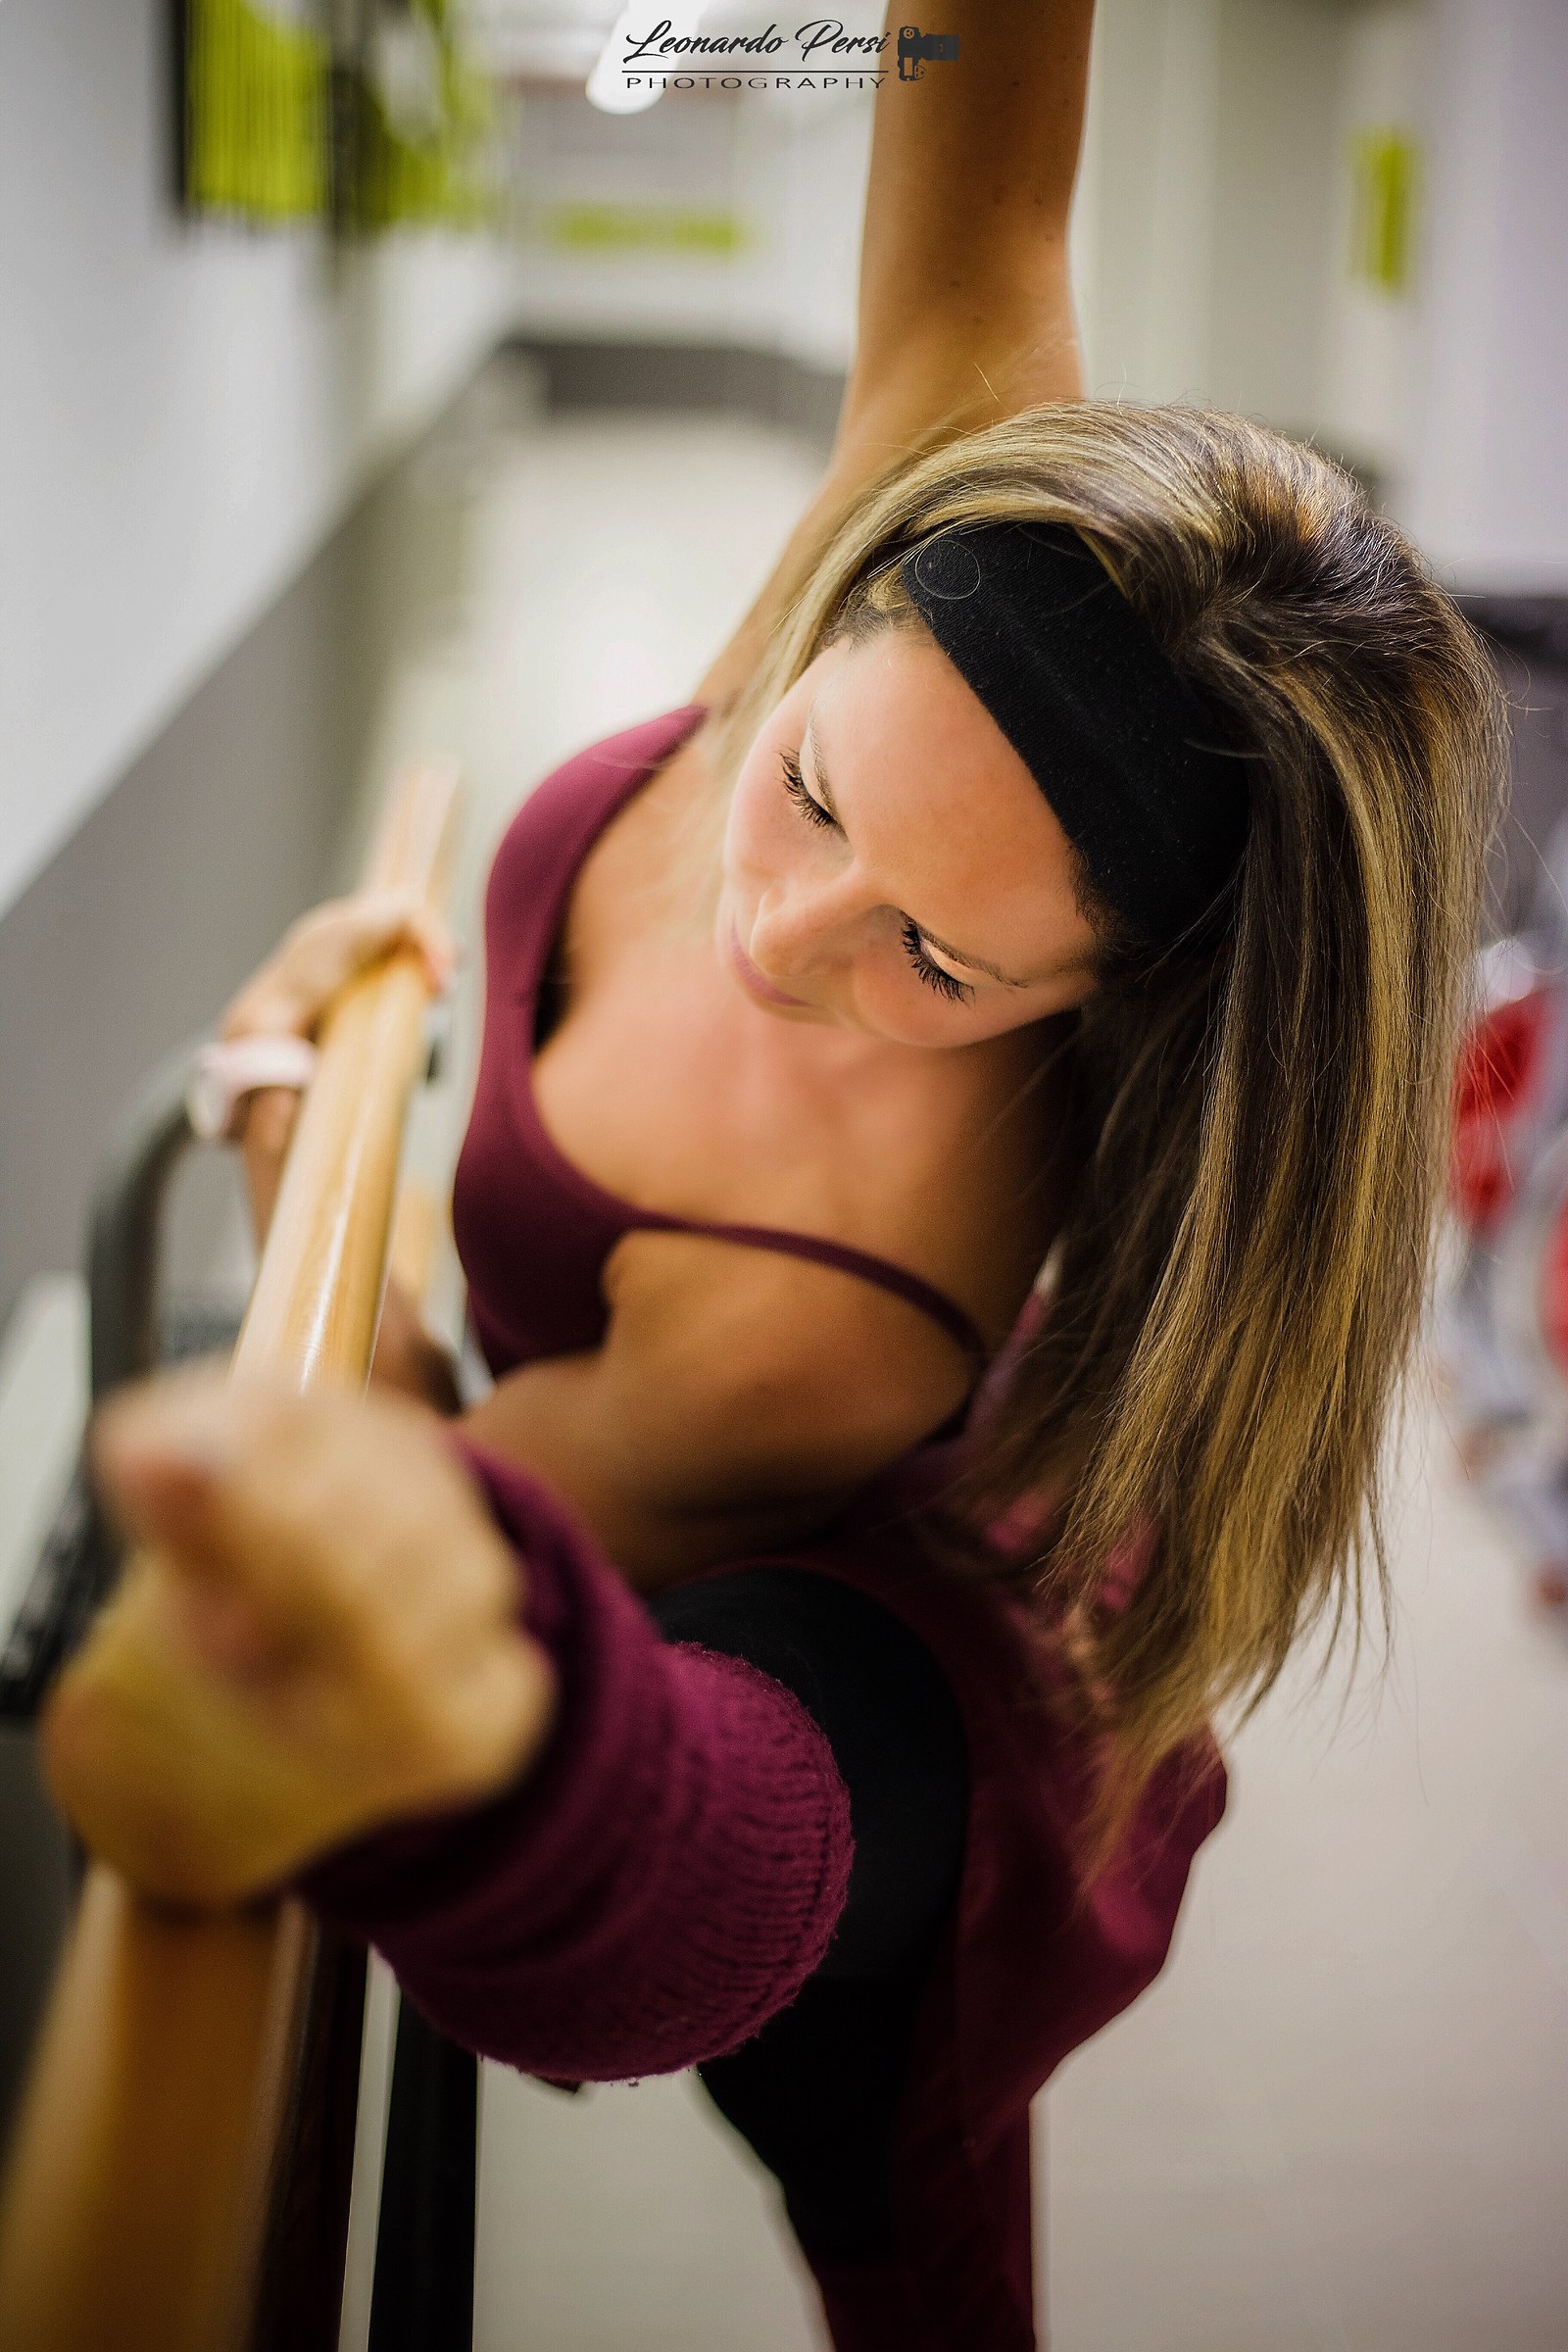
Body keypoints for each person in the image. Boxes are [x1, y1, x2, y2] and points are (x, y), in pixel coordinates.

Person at [43, 5, 1507, 2347]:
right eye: (805, 787)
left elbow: (469, 1560)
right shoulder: (942, 535)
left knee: (905, 2225)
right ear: (859, 581)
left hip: (922, 1745)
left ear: (1092, 998)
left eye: (932, 958)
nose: (778, 935)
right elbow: (981, 129)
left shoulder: (812, 1318)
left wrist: (295, 1123)